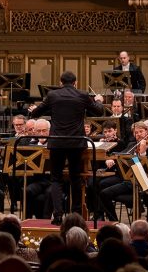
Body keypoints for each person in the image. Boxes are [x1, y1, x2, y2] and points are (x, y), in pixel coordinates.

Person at [27, 70, 106, 224]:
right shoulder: (82, 95)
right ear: (75, 83)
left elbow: (35, 113)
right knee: (75, 177)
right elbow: (99, 111)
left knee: (56, 179)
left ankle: (57, 215)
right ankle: (75, 215)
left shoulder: (52, 95)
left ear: (60, 83)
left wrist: (33, 110)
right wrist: (98, 100)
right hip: (76, 142)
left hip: (57, 142)